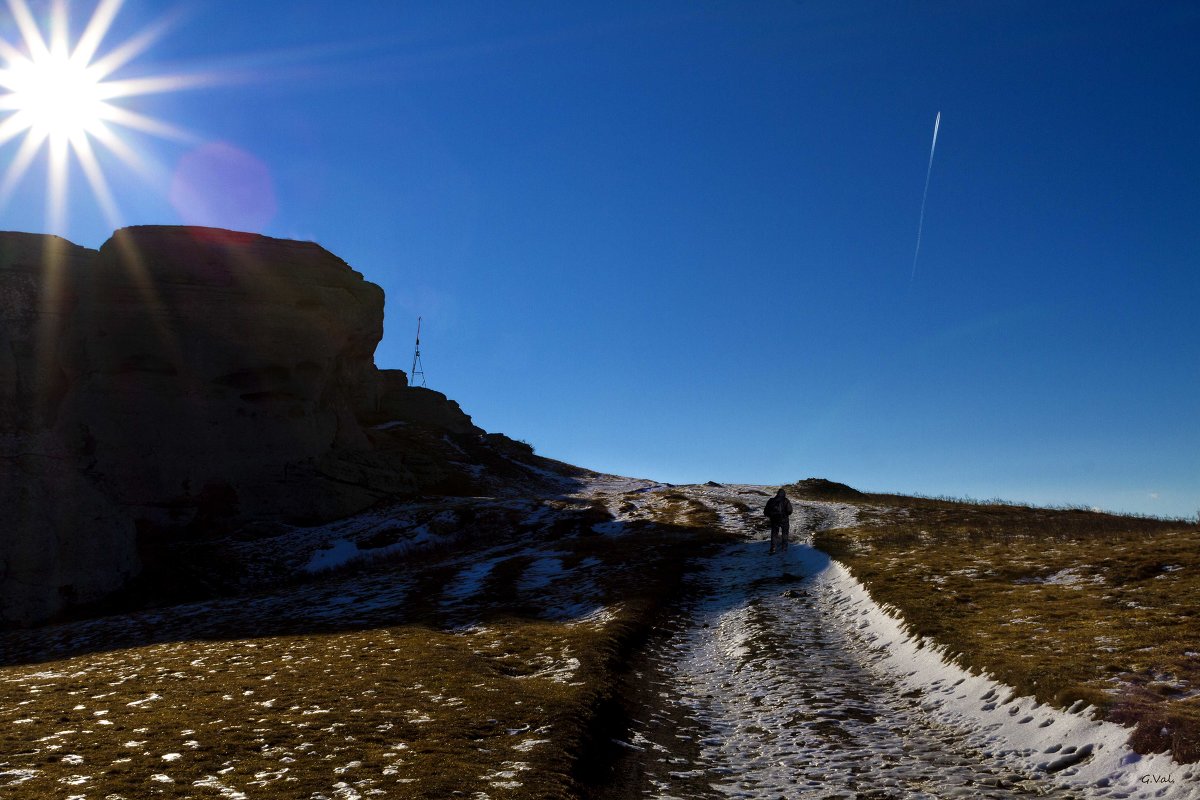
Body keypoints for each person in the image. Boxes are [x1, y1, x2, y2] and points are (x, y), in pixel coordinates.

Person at [764, 487, 793, 554]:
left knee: (774, 534)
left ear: (777, 493)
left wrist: (770, 516)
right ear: (784, 494)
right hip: (784, 519)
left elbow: (766, 511)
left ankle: (773, 548)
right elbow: (789, 511)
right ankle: (784, 548)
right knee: (785, 534)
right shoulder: (786, 500)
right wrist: (786, 514)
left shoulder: (771, 500)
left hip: (774, 520)